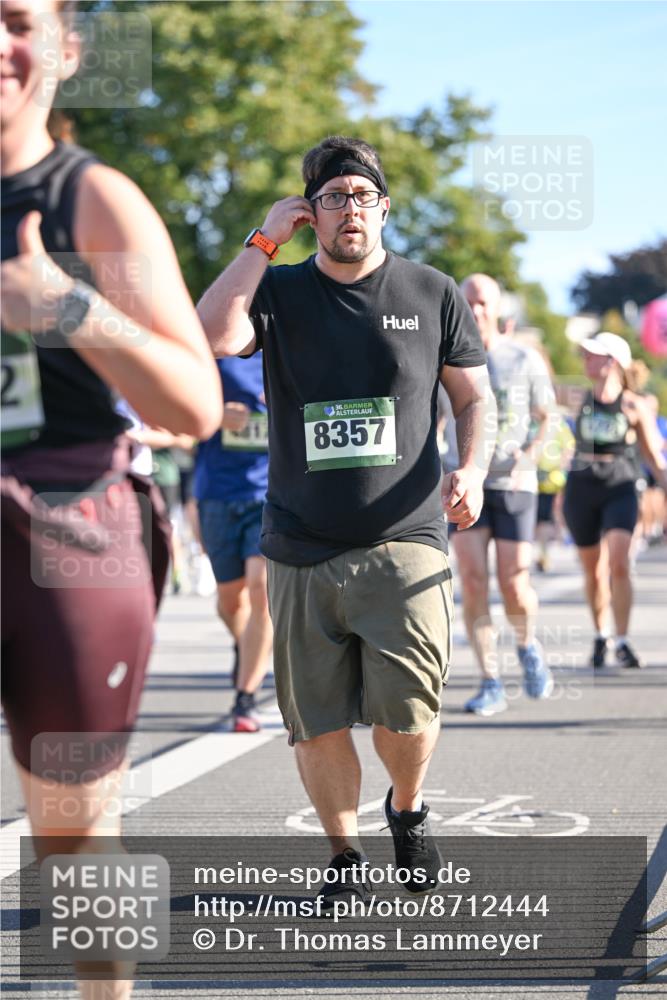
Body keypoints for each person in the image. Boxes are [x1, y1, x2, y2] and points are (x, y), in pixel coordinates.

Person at [197, 135, 496, 903]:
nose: (349, 210)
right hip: (299, 543)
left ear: (384, 208)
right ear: (310, 211)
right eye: (332, 198)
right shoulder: (280, 290)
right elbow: (210, 336)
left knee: (407, 712)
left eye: (361, 196)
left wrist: (473, 467)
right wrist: (264, 239)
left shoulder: (431, 292)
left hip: (406, 539)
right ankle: (343, 857)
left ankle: (406, 806)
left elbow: (473, 398)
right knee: (317, 722)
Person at [1, 2, 222, 997]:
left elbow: (192, 399)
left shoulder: (89, 198)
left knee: (74, 836)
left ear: (65, 50)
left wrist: (62, 303)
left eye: (14, 19)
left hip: (70, 524)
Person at [446, 274, 556, 717]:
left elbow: (546, 417)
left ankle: (528, 646)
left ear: (497, 309)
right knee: (473, 581)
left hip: (513, 483)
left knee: (513, 583)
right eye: (468, 302)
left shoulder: (523, 359)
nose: (475, 310)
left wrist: (529, 456)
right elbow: (432, 420)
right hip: (466, 483)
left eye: (483, 303)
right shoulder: (447, 360)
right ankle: (490, 680)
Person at [562, 333, 667, 669]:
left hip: (620, 485)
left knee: (619, 563)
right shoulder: (578, 399)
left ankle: (622, 639)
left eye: (593, 355)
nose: (585, 360)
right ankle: (600, 634)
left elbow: (653, 455)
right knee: (593, 571)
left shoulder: (633, 405)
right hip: (581, 488)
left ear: (612, 362)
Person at [194, 352, 273, 732]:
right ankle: (247, 647)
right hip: (218, 493)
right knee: (230, 601)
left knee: (261, 592)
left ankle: (246, 697)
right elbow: (178, 408)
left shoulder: (286, 342)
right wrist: (215, 414)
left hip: (269, 493)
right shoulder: (212, 345)